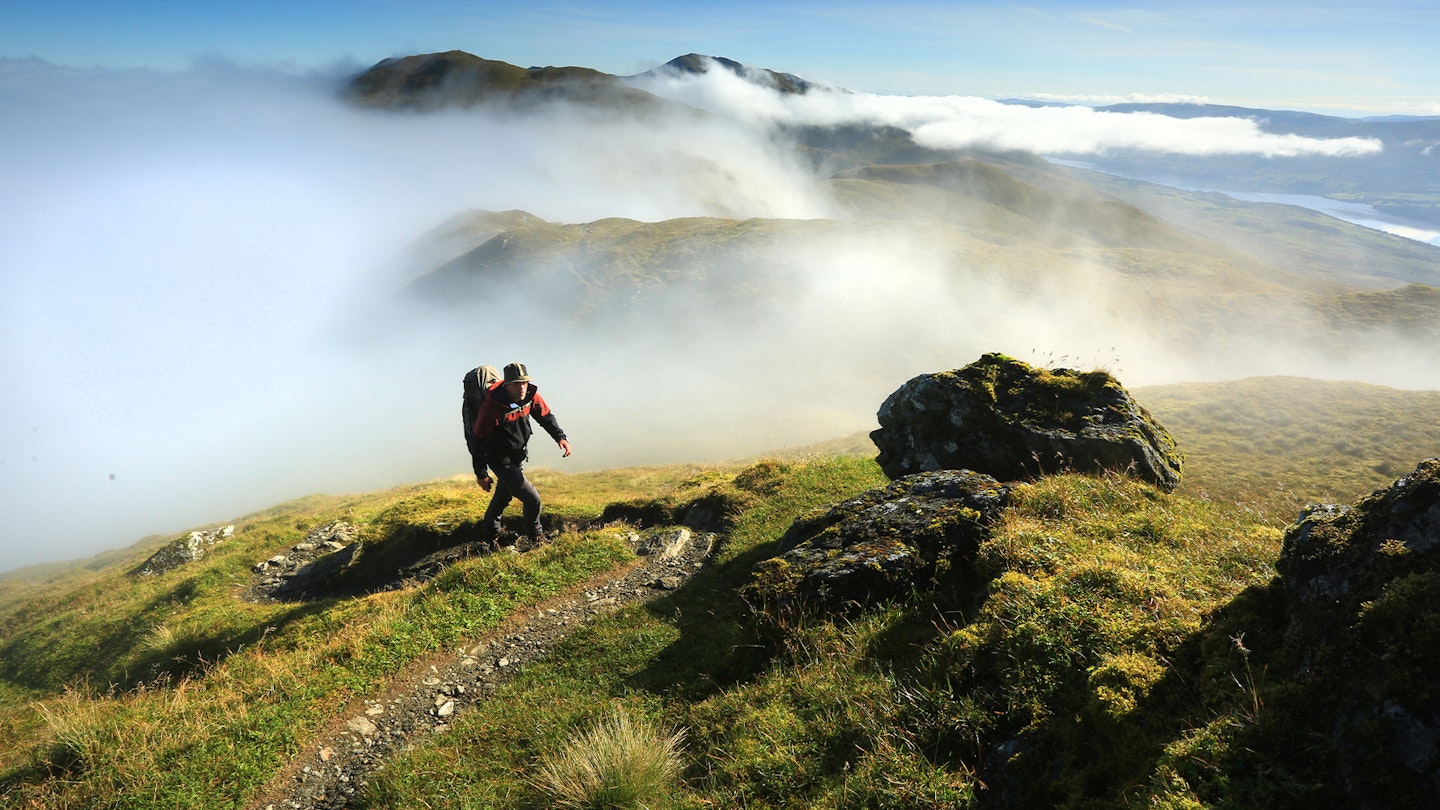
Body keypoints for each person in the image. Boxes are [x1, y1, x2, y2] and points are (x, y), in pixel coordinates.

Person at [469, 362, 572, 546]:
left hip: (516, 456)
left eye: (524, 382)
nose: (522, 387)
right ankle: (536, 537)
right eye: (517, 384)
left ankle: (492, 534)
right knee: (533, 499)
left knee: (504, 495)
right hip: (500, 460)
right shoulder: (492, 408)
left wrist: (560, 437)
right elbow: (478, 442)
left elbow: (545, 415)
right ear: (506, 385)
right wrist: (481, 474)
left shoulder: (530, 396)